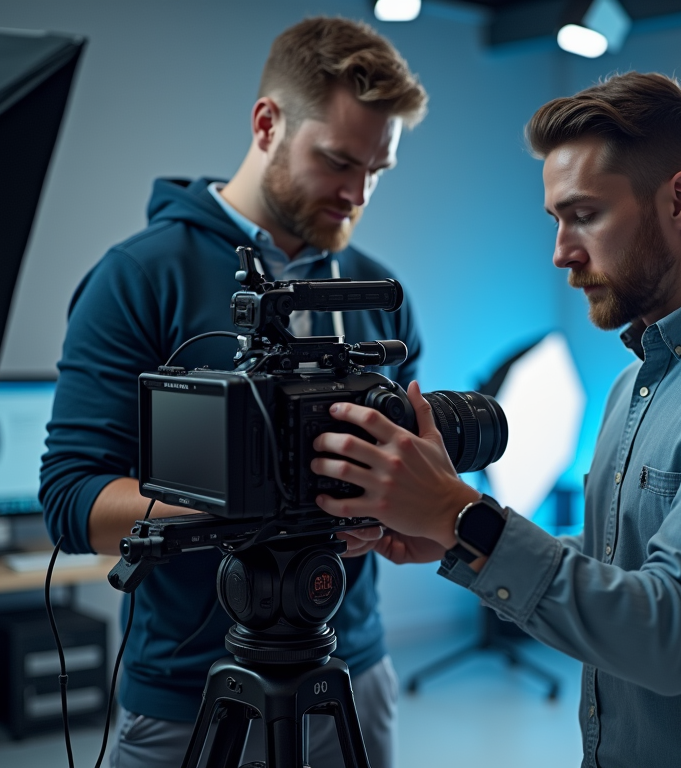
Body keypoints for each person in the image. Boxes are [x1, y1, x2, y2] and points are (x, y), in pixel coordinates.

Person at [308, 72, 681, 768]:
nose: (562, 253)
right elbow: (624, 565)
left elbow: (674, 631)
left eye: (586, 215)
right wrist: (458, 534)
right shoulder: (637, 379)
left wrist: (462, 519)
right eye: (556, 220)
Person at [40, 17, 427, 768]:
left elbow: (403, 461)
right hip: (188, 693)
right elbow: (71, 500)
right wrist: (259, 494)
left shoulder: (378, 294)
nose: (357, 193)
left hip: (352, 673)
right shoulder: (138, 278)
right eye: (339, 161)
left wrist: (384, 508)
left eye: (377, 170)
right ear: (266, 124)